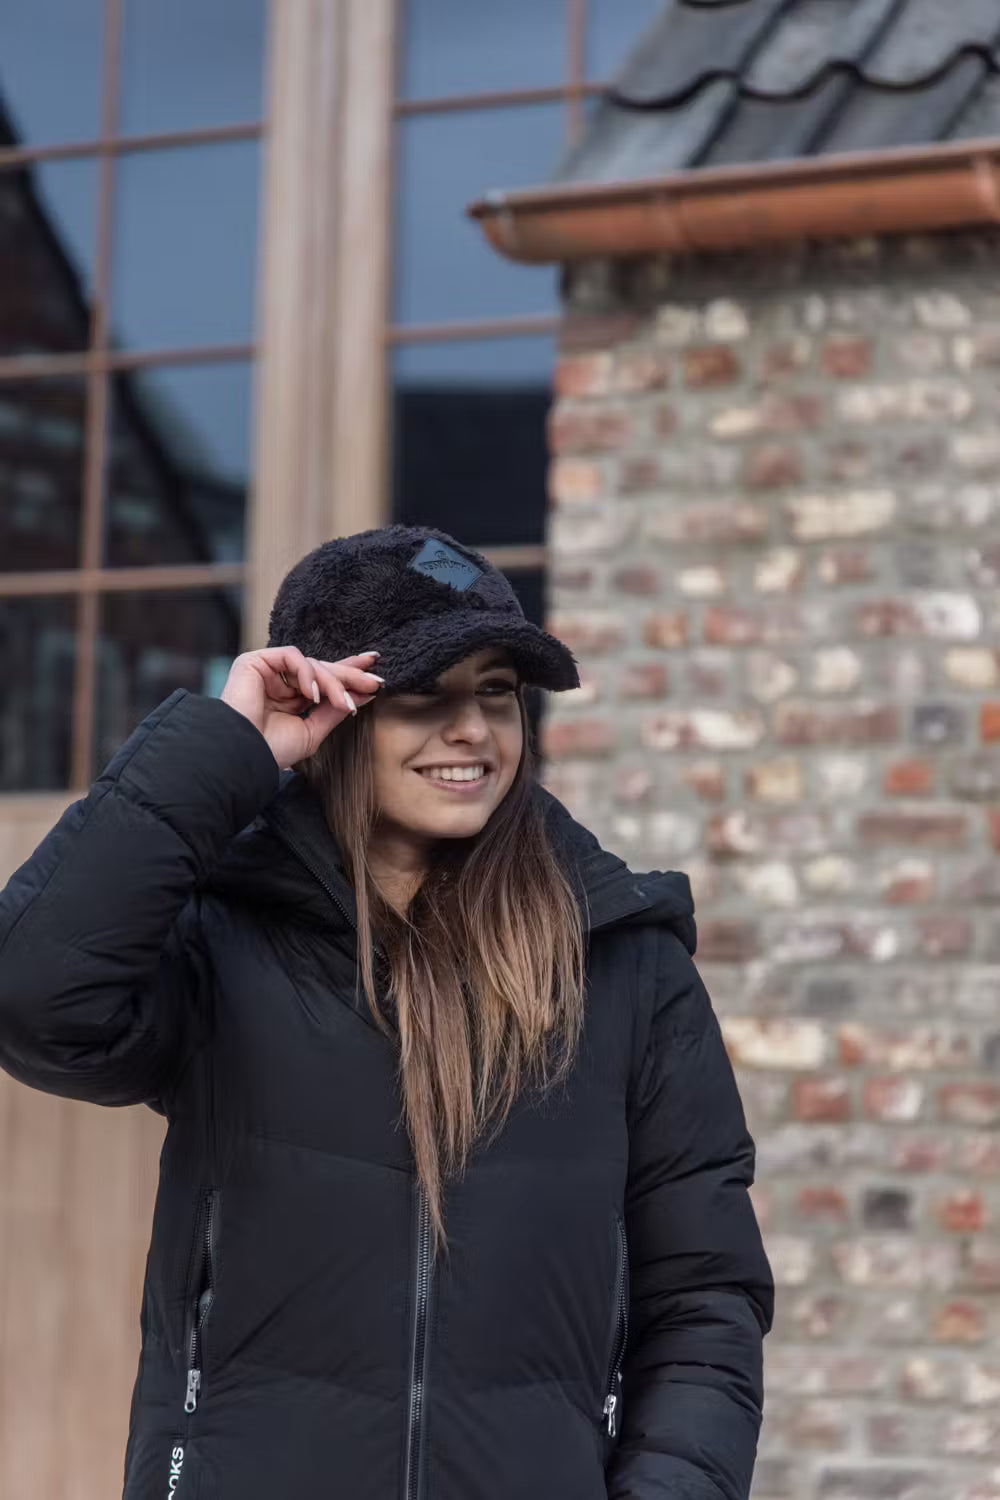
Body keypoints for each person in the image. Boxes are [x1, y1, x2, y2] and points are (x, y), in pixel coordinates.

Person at [0, 525, 773, 1500]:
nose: (473, 731)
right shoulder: (227, 940)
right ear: (333, 715)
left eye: (496, 692)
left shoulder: (621, 964)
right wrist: (226, 751)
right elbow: (33, 1001)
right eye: (423, 695)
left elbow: (705, 1297)